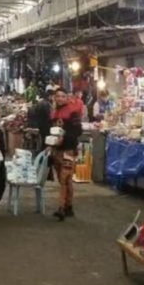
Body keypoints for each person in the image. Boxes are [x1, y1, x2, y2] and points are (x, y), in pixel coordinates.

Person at [50, 88, 83, 221]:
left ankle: (61, 207)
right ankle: (69, 206)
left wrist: (64, 137)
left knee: (64, 178)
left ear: (67, 98)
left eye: (63, 96)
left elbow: (78, 131)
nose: (60, 98)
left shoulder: (73, 112)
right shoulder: (53, 112)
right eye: (58, 96)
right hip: (57, 150)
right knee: (64, 179)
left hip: (68, 150)